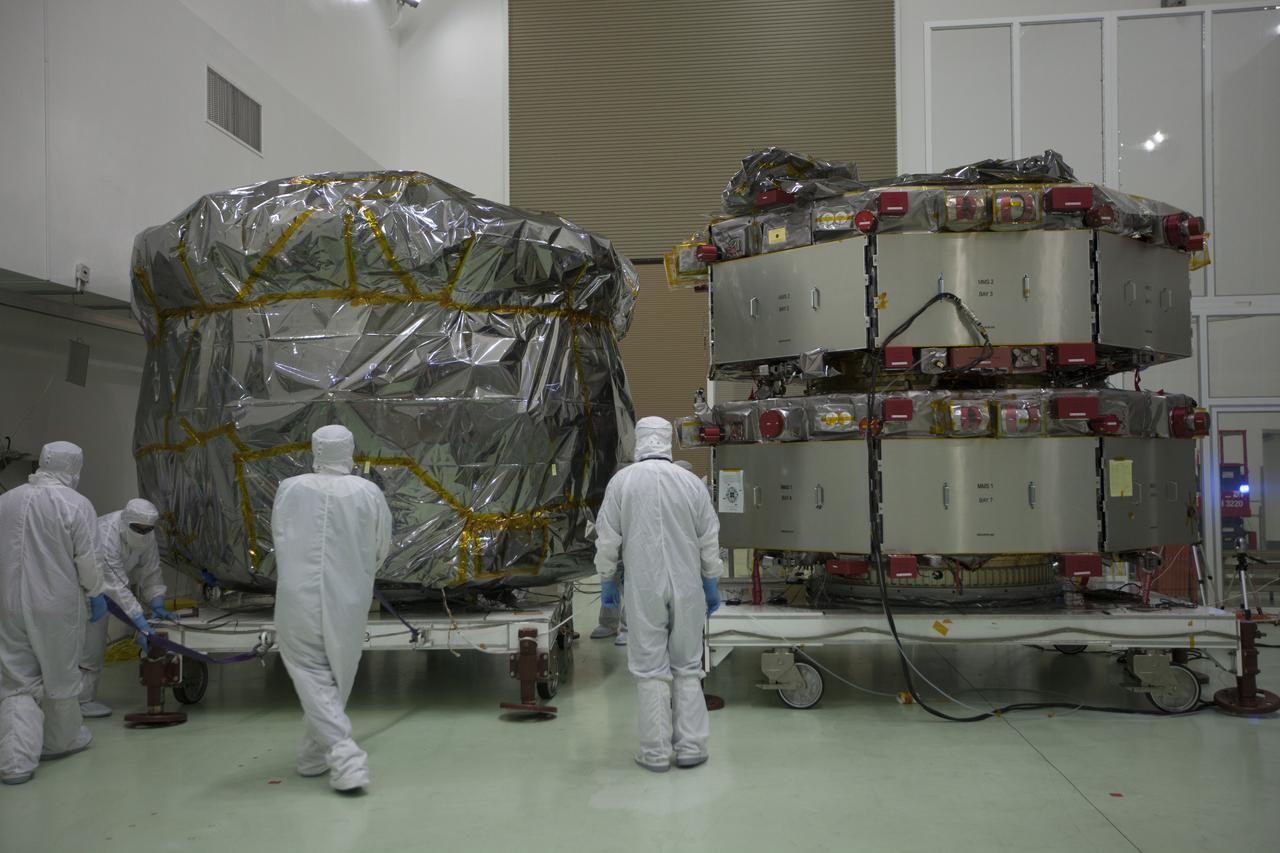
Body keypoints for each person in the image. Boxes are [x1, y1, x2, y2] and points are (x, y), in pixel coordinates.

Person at [595, 418, 722, 772]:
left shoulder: (623, 482)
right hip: (688, 587)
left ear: (640, 441)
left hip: (644, 587)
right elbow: (709, 536)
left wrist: (607, 578)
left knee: (651, 670)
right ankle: (691, 748)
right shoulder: (690, 483)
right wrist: (711, 579)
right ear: (668, 441)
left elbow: (608, 538)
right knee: (687, 666)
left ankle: (654, 754)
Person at [272, 425, 392, 794]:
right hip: (349, 598)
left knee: (311, 672)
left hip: (297, 597)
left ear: (315, 450)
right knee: (337, 673)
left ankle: (324, 753)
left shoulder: (290, 488)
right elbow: (381, 546)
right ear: (350, 451)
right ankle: (338, 754)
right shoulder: (368, 492)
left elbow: (278, 535)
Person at [0, 442, 108, 785]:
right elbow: (88, 560)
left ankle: (16, 761)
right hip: (56, 607)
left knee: (17, 681)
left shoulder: (6, 501)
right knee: (60, 677)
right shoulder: (75, 504)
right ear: (74, 466)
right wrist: (96, 593)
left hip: (8, 603)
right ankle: (60, 741)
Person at [78, 499, 168, 717]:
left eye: (148, 529)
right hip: (83, 592)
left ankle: (83, 699)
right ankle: (78, 702)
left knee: (93, 646)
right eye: (138, 529)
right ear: (125, 522)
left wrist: (156, 600)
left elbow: (150, 569)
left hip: (105, 591)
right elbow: (117, 586)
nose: (143, 533)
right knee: (88, 646)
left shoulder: (147, 535)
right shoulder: (106, 533)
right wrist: (140, 623)